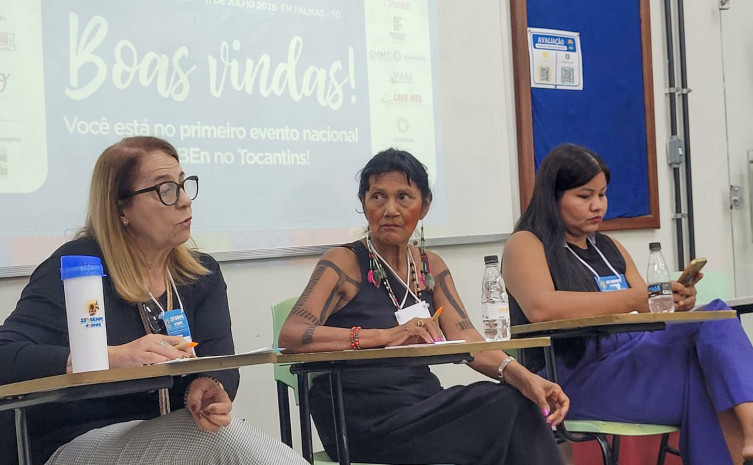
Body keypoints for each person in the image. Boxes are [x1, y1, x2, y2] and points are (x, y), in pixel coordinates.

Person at [0, 137, 307, 465]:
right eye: (165, 190)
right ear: (121, 208)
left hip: (171, 439)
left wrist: (209, 386)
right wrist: (111, 357)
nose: (184, 201)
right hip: (74, 441)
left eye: (183, 185)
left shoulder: (201, 275)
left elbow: (220, 360)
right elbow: (6, 355)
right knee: (221, 443)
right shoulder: (79, 267)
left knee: (221, 435)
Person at [278, 148, 569, 465]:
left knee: (517, 400)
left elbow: (468, 340)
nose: (390, 210)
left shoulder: (431, 266)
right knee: (507, 413)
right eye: (378, 197)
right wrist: (385, 336)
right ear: (363, 202)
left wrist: (524, 377)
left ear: (425, 205)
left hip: (423, 405)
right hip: (360, 420)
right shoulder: (343, 262)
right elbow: (291, 335)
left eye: (403, 197)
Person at [502, 143, 753, 465]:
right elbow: (542, 308)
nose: (597, 205)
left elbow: (649, 307)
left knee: (714, 319)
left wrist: (676, 301)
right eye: (584, 196)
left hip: (631, 355)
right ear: (553, 197)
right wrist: (638, 298)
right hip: (571, 374)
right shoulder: (526, 242)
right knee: (711, 374)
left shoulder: (608, 246)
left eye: (602, 194)